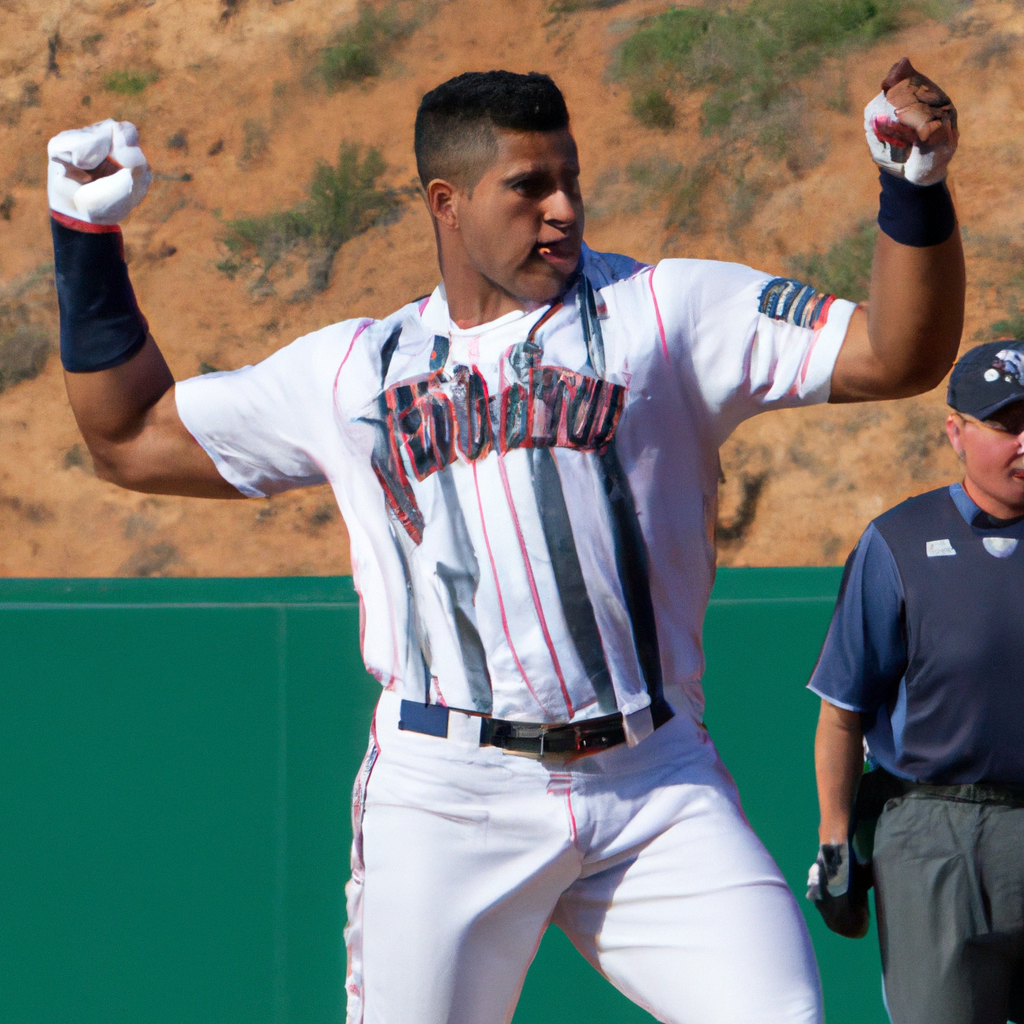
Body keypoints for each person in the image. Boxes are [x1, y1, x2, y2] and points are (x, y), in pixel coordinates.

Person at [48, 60, 963, 1024]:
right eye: (528, 186)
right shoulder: (355, 373)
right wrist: (85, 241)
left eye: (570, 177)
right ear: (447, 202)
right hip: (449, 795)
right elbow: (130, 436)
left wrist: (915, 191)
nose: (562, 207)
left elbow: (898, 353)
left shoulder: (664, 312)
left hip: (653, 781)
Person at [806, 340, 1024, 1024]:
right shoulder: (898, 542)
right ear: (956, 432)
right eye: (1007, 423)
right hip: (933, 827)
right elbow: (843, 710)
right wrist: (836, 842)